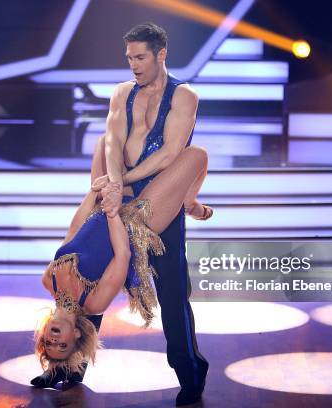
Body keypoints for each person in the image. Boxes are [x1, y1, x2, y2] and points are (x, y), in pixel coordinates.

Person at [32, 22, 211, 406]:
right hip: (120, 191)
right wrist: (113, 183)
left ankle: (191, 372)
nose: (133, 65)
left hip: (157, 199)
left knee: (173, 292)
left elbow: (170, 153)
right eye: (129, 57)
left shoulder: (184, 97)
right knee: (88, 279)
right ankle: (66, 368)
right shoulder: (122, 93)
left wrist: (121, 180)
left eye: (140, 57)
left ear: (161, 55)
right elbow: (112, 141)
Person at [34, 145, 209, 376]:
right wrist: (113, 211)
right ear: (76, 335)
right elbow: (123, 255)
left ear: (44, 333)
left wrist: (93, 193)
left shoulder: (49, 281)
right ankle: (188, 202)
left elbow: (74, 231)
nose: (55, 340)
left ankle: (185, 202)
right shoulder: (94, 303)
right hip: (138, 222)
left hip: (103, 208)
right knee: (197, 156)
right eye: (62, 345)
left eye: (49, 343)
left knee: (106, 141)